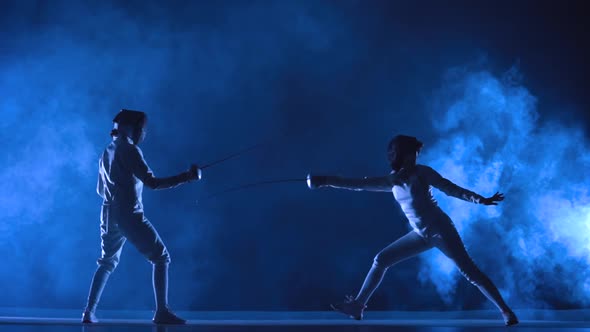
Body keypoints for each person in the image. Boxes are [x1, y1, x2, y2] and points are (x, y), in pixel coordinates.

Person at [307, 134, 518, 326]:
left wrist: (480, 199)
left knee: (469, 272)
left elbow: (450, 188)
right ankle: (358, 306)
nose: (416, 157)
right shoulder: (392, 181)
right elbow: (355, 184)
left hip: (440, 229)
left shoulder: (423, 173)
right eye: (413, 153)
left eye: (417, 154)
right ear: (403, 154)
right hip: (420, 234)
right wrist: (324, 181)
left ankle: (506, 311)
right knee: (381, 260)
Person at [82, 109, 201, 324]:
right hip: (129, 213)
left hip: (108, 212)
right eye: (141, 129)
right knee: (161, 257)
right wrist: (187, 177)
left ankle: (88, 312)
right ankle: (161, 311)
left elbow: (100, 190)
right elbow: (152, 183)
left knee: (107, 262)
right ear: (133, 128)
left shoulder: (106, 151)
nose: (143, 133)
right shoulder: (130, 150)